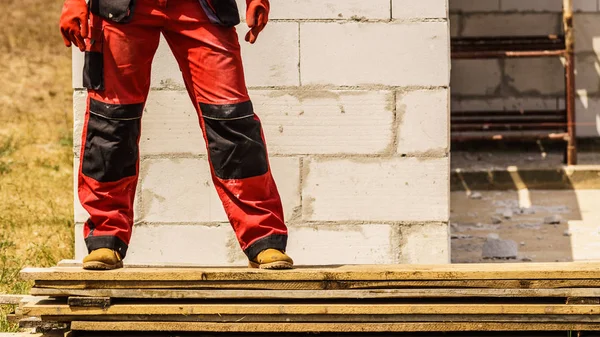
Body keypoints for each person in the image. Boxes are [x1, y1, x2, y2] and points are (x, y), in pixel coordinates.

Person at [59, 0, 293, 270]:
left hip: (202, 6)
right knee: (111, 121)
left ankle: (263, 237)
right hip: (122, 7)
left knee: (232, 120)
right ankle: (105, 237)